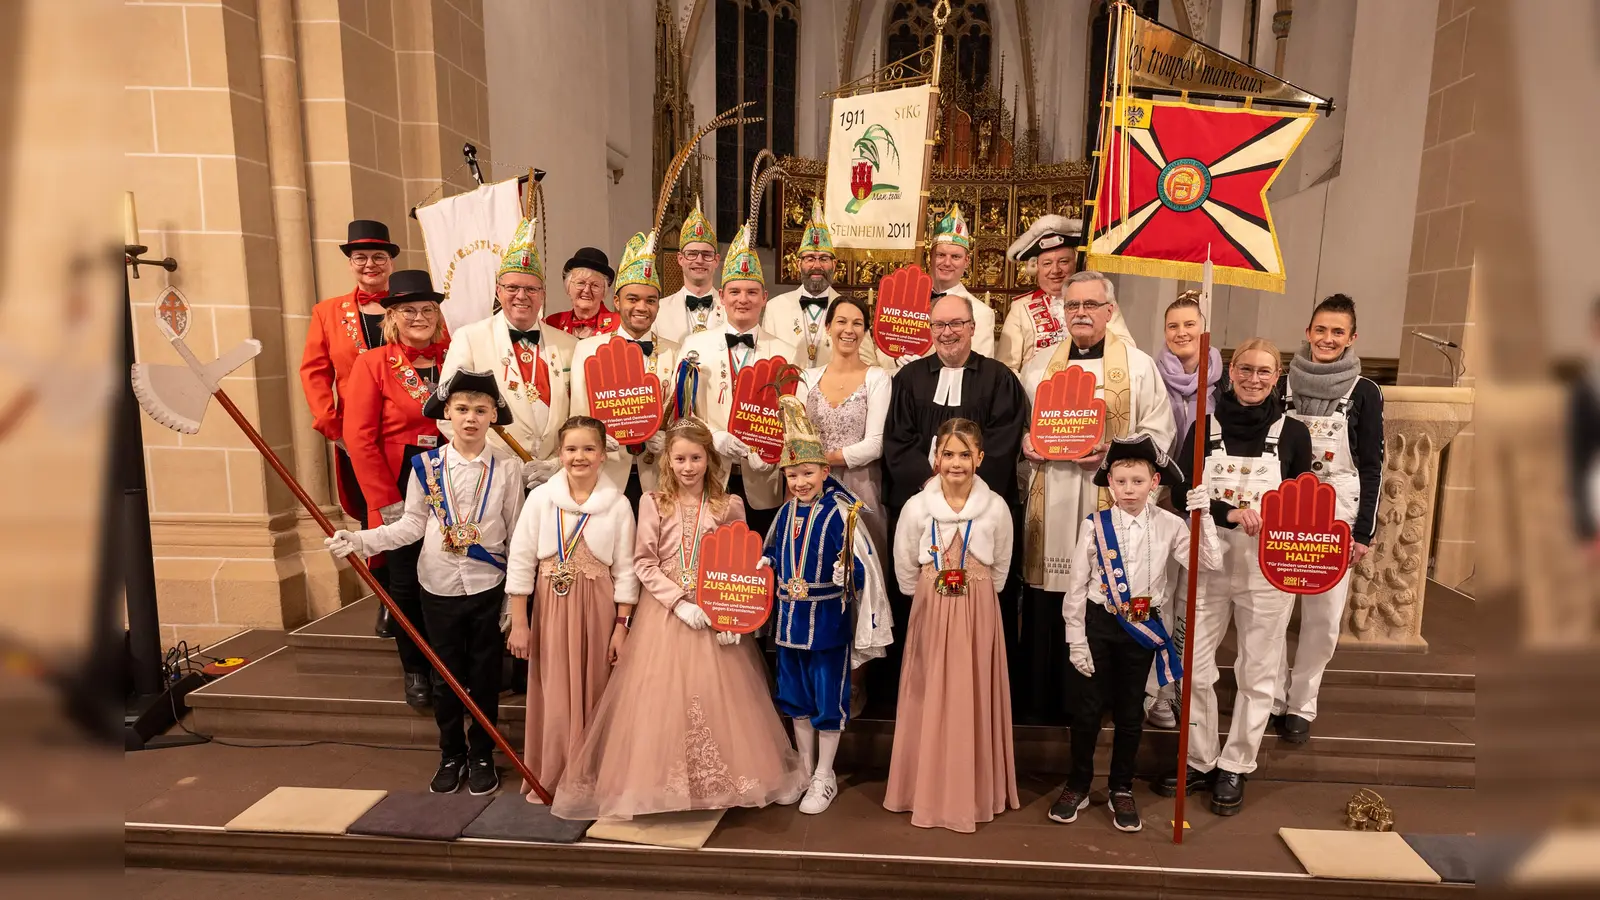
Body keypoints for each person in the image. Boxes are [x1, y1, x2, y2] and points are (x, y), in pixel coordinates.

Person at [550, 419, 808, 820]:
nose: (688, 467)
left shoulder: (730, 505)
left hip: (712, 611)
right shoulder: (653, 502)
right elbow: (644, 563)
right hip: (667, 614)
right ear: (668, 461)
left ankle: (716, 780)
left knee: (715, 694)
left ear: (710, 459)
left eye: (696, 458)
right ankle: (659, 782)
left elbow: (739, 568)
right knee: (658, 697)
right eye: (680, 458)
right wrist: (678, 602)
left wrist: (731, 620)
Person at [325, 370, 523, 796]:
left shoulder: (508, 469)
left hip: (488, 583)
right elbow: (412, 525)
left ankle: (482, 753)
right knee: (444, 676)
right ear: (446, 414)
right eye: (463, 409)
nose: (471, 418)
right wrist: (361, 539)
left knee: (486, 676)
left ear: (493, 416)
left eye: (481, 410)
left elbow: (517, 532)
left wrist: (513, 598)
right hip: (437, 586)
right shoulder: (427, 466)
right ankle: (451, 752)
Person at [1159, 337, 1313, 816]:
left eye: (1264, 372)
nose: (1253, 379)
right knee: (1195, 667)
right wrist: (1228, 513)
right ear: (1230, 372)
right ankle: (1200, 758)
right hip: (1208, 558)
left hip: (1269, 565)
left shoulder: (1293, 433)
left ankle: (1236, 764)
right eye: (1245, 369)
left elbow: (1301, 498)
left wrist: (1268, 513)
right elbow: (1180, 488)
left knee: (1258, 668)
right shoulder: (1204, 426)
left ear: (1277, 377)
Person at [1015, 271, 1174, 726]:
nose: (1081, 313)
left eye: (1091, 305)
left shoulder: (1139, 366)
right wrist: (1026, 442)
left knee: (1103, 593)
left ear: (1110, 311)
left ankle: (1101, 700)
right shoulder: (1037, 366)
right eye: (1072, 305)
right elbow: (1020, 425)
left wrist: (1114, 454)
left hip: (1108, 496)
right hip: (1053, 495)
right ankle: (1044, 698)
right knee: (1051, 596)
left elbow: (1161, 429)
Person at [1051, 435, 1219, 833]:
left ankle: (1120, 787)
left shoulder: (1170, 524)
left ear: (1154, 481)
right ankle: (1077, 783)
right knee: (1088, 711)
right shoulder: (1095, 525)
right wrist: (1076, 638)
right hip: (1100, 623)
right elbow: (1076, 586)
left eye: (1138, 481)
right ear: (1110, 483)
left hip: (1143, 627)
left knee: (1131, 713)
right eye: (1122, 481)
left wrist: (1203, 517)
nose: (1129, 490)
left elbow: (1207, 562)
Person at [885, 418, 1018, 833]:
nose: (955, 463)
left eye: (964, 454)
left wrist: (980, 591)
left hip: (977, 610)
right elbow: (905, 559)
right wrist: (920, 593)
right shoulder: (917, 506)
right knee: (930, 690)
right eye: (947, 454)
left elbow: (1002, 564)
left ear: (979, 457)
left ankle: (972, 791)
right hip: (933, 607)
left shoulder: (995, 507)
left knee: (971, 691)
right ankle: (922, 788)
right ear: (935, 457)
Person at [763, 396, 891, 815]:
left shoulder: (843, 515)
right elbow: (769, 560)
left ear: (824, 472)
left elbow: (862, 570)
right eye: (793, 475)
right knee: (795, 699)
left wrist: (847, 574)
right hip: (788, 625)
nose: (800, 482)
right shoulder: (781, 515)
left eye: (807, 473)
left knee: (827, 701)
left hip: (827, 627)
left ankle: (825, 775)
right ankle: (803, 769)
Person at [505, 416, 639, 797]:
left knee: (595, 690)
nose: (579, 457)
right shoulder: (541, 499)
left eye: (589, 449)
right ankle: (554, 774)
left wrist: (621, 627)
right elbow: (521, 560)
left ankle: (591, 777)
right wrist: (519, 621)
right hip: (550, 609)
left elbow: (627, 571)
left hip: (597, 611)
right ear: (559, 453)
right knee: (554, 693)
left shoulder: (617, 505)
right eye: (571, 449)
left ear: (602, 455)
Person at [1273, 294, 1384, 743]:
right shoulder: (1281, 383)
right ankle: (1273, 694)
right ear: (1307, 331)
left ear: (1352, 338)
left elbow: (1374, 463)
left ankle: (1302, 702)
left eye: (1338, 331)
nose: (1327, 338)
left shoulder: (1364, 392)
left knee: (1322, 618)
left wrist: (1363, 532)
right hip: (1283, 512)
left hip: (1337, 516)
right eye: (1321, 329)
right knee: (1273, 613)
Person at [341, 269, 450, 710]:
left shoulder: (454, 355)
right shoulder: (373, 363)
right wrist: (387, 501)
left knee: (454, 571)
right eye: (409, 309)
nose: (420, 316)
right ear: (392, 315)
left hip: (450, 473)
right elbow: (359, 437)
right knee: (405, 582)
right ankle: (416, 667)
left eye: (428, 309)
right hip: (399, 476)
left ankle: (451, 662)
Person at [678, 223, 799, 539]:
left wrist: (773, 451)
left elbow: (795, 419)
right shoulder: (694, 345)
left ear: (764, 297)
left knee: (761, 561)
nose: (742, 299)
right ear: (721, 296)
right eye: (734, 291)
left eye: (751, 292)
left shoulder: (786, 352)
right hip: (708, 473)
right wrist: (713, 436)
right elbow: (683, 413)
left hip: (765, 482)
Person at [439, 216, 578, 489]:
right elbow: (446, 417)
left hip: (556, 478)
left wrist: (557, 464)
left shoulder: (569, 344)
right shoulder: (469, 338)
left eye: (531, 289)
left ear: (543, 294)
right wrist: (503, 464)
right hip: (491, 478)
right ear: (498, 290)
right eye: (512, 287)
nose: (521, 296)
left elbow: (579, 415)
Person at [1144, 290, 1224, 729]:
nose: (1180, 333)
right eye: (1173, 326)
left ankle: (1186, 691)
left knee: (1195, 604)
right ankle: (1158, 694)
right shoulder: (1150, 374)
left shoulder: (1226, 382)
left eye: (1189, 325)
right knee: (1162, 597)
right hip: (1161, 498)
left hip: (1205, 504)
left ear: (1203, 329)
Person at [881, 292, 1029, 513]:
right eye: (939, 325)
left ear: (972, 327)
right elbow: (898, 439)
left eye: (956, 324)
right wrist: (927, 482)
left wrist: (963, 487)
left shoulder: (998, 378)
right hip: (920, 500)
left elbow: (1003, 443)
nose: (947, 332)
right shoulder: (909, 377)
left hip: (980, 501)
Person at [299, 220, 399, 527]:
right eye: (361, 257)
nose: (370, 264)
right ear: (351, 263)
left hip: (405, 430)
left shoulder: (413, 306)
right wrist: (334, 427)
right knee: (373, 517)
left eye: (378, 257)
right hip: (355, 431)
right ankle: (377, 577)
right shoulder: (326, 312)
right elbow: (314, 372)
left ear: (390, 262)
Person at [569, 231, 677, 510]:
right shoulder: (588, 348)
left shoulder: (675, 352)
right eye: (633, 298)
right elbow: (578, 416)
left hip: (658, 478)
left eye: (650, 300)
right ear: (617, 302)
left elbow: (684, 414)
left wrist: (670, 441)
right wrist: (600, 439)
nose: (642, 307)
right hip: (605, 474)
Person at [998, 215, 1134, 373]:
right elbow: (1006, 367)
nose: (1055, 270)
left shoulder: (1101, 299)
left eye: (1063, 261)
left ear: (1075, 264)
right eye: (1047, 263)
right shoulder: (1021, 307)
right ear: (1036, 269)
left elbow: (1126, 348)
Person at [763, 200, 879, 368]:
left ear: (834, 264)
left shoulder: (853, 309)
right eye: (810, 258)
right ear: (798, 264)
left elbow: (869, 366)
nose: (816, 266)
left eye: (824, 259)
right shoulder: (775, 308)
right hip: (789, 392)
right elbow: (766, 363)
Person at [657, 197, 726, 343]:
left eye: (707, 255)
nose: (699, 260)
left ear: (716, 260)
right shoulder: (659, 310)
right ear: (680, 259)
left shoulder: (731, 308)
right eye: (692, 254)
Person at [544, 247, 621, 339]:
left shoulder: (619, 325)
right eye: (580, 283)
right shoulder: (553, 323)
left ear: (603, 291)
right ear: (568, 287)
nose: (586, 290)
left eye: (595, 285)